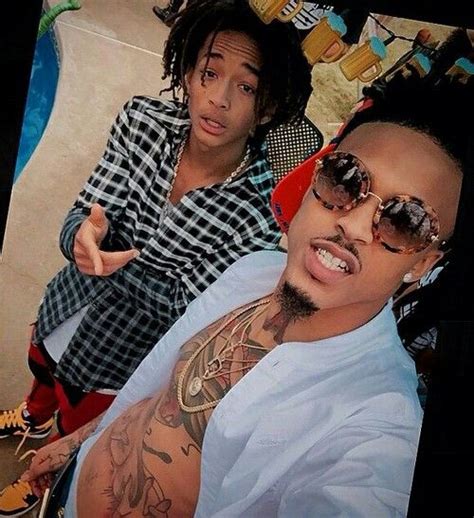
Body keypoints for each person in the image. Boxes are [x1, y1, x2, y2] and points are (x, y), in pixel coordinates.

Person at [18, 66, 473, 517]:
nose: (352, 225)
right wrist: (78, 443)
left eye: (406, 221)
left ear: (423, 262)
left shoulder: (377, 427)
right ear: (314, 178)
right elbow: (161, 390)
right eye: (346, 179)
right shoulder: (253, 270)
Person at [0, 0, 312, 515]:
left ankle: (41, 477)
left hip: (116, 361)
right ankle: (32, 414)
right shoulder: (141, 121)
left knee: (74, 427)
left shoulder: (260, 211)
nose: (218, 99)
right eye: (209, 73)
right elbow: (85, 211)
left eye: (246, 87)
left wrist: (108, 256)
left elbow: (186, 310)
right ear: (187, 72)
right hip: (64, 306)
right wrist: (81, 236)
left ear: (269, 107)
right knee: (42, 367)